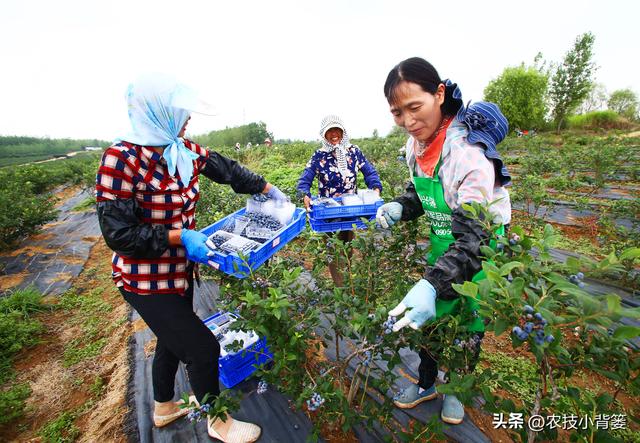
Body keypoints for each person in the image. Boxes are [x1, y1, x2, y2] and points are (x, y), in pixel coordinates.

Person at [96, 73, 287, 442]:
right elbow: (118, 235)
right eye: (181, 113)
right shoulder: (120, 159)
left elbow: (225, 169)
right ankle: (218, 422)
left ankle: (164, 408)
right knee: (202, 347)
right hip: (145, 280)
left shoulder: (181, 149)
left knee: (171, 341)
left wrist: (266, 188)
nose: (188, 120)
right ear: (158, 113)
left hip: (180, 272)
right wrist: (178, 235)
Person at [376, 57, 511, 424]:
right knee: (430, 324)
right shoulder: (415, 147)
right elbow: (422, 193)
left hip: (477, 251)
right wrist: (401, 207)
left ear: (438, 95)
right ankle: (427, 384)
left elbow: (473, 238)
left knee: (469, 325)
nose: (408, 121)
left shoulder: (469, 156)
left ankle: (457, 389)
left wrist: (433, 285)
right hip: (443, 244)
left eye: (414, 107)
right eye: (397, 113)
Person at [297, 115, 382, 286]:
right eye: (330, 130)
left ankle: (347, 281)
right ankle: (340, 286)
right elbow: (305, 180)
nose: (334, 134)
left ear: (343, 132)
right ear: (324, 134)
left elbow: (369, 172)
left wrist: (376, 188)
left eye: (337, 130)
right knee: (332, 248)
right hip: (328, 212)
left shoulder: (353, 152)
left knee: (347, 244)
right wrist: (304, 194)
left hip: (351, 211)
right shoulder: (319, 156)